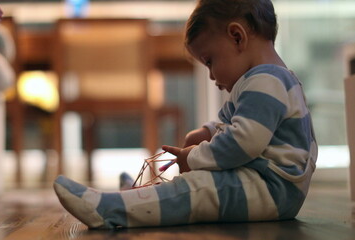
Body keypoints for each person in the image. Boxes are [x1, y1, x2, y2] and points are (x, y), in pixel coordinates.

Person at [53, 0, 318, 229]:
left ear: (237, 36)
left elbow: (243, 144)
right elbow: (234, 125)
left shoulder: (265, 81)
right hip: (268, 189)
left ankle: (110, 209)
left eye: (210, 61)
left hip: (271, 192)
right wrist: (209, 132)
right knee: (198, 184)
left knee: (195, 189)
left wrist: (194, 156)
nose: (212, 76)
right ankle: (136, 198)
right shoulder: (264, 81)